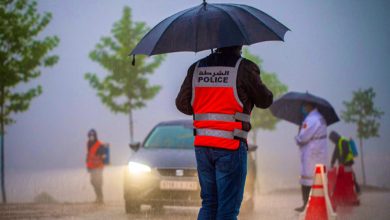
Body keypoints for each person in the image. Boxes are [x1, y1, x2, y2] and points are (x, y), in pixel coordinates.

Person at [176, 46, 273, 220]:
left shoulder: (196, 68)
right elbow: (265, 100)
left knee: (209, 203)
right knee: (227, 208)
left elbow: (182, 103)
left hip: (203, 147)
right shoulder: (244, 68)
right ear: (239, 44)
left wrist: (205, 103)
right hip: (231, 146)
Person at [294, 102, 328, 212]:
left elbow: (303, 137)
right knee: (317, 179)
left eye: (305, 105)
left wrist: (298, 136)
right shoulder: (319, 117)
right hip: (318, 151)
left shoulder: (312, 119)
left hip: (311, 153)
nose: (304, 107)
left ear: (310, 106)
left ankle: (306, 205)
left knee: (307, 179)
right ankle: (314, 205)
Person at [86, 129, 107, 204]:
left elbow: (103, 156)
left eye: (92, 136)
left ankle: (100, 198)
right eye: (90, 136)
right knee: (93, 182)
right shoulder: (88, 144)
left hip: (98, 167)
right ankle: (98, 197)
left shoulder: (99, 145)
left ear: (95, 136)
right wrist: (88, 166)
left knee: (98, 183)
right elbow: (88, 156)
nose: (91, 137)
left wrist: (101, 157)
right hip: (92, 168)